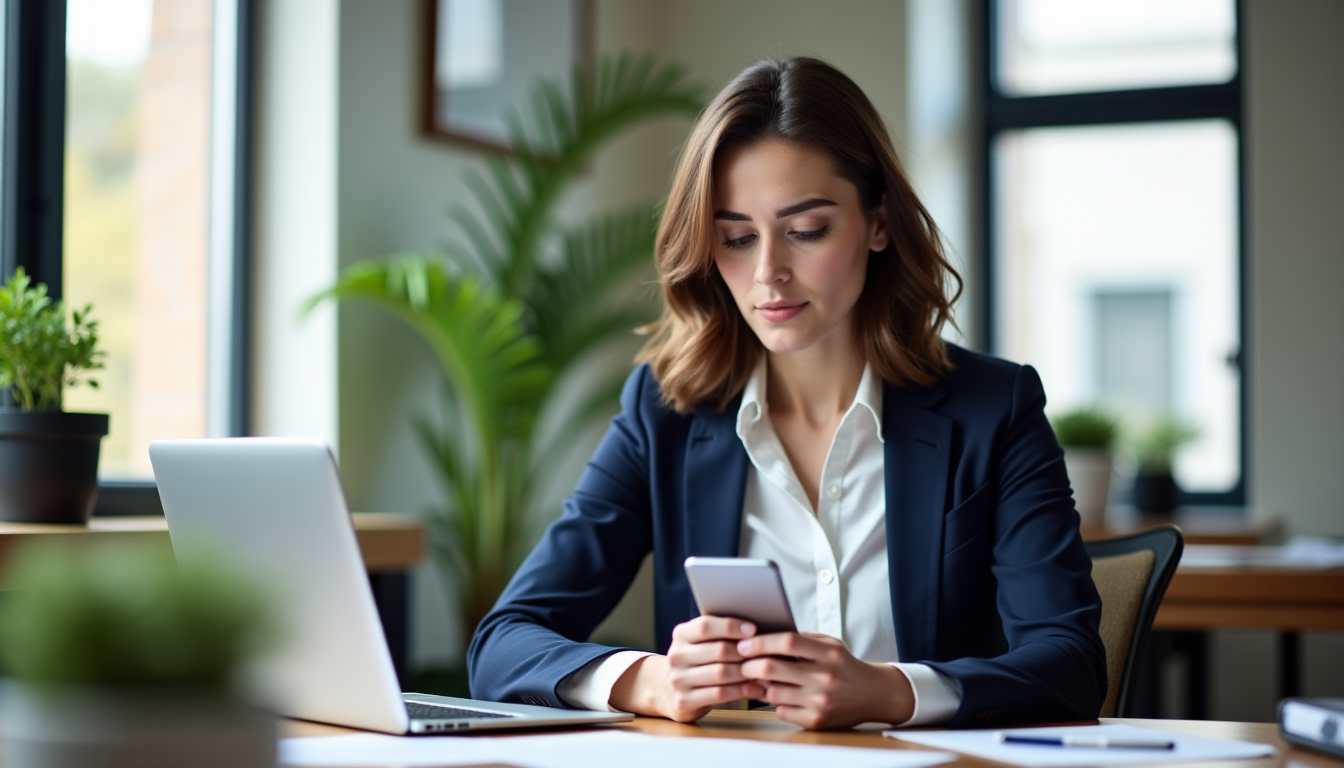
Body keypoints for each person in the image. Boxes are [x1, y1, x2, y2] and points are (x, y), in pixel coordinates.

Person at [468, 57, 1106, 730]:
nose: (768, 272)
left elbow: (1070, 666)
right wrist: (649, 680)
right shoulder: (665, 414)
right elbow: (502, 643)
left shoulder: (994, 409)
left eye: (806, 231)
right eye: (736, 238)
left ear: (880, 221)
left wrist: (894, 692)